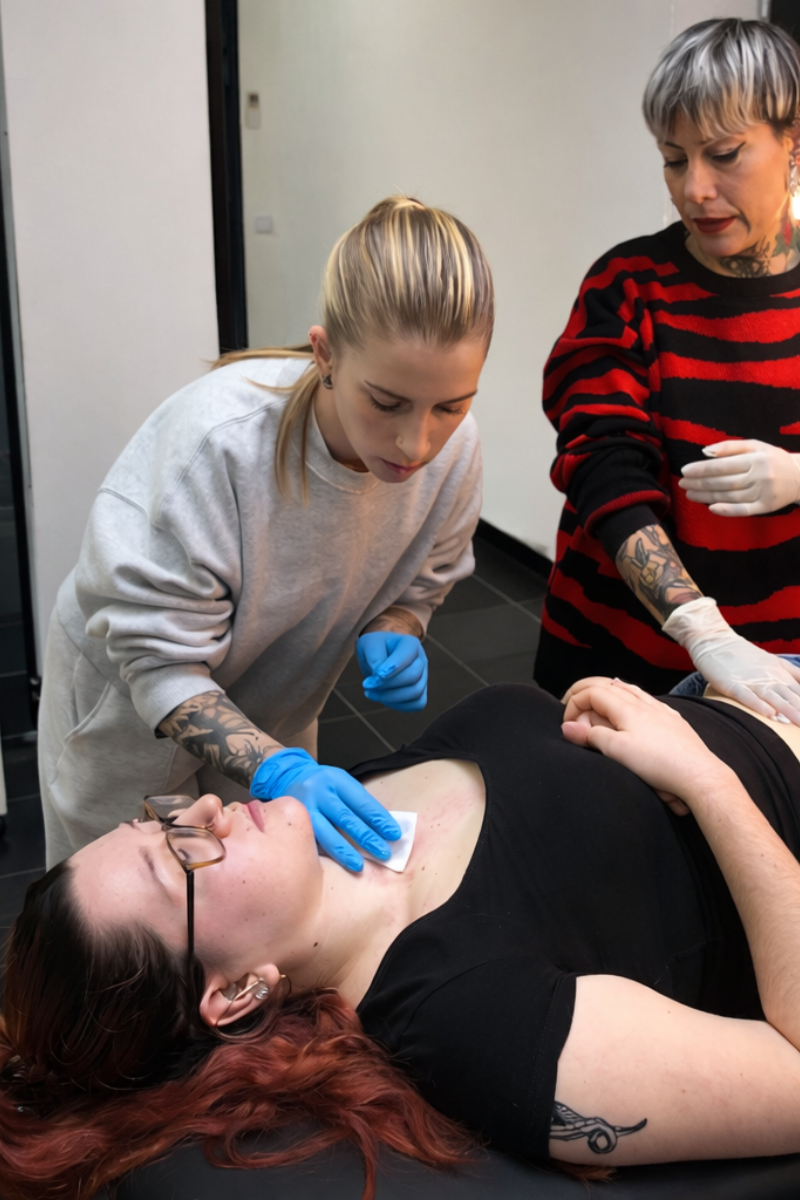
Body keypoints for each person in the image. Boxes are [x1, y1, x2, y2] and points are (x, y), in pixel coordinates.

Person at [5, 676, 800, 1199]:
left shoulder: (338, 818)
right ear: (237, 990)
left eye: (160, 819)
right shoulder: (471, 1017)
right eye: (179, 858)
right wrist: (705, 780)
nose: (202, 810)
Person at [38, 195, 493, 871]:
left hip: (273, 717)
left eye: (450, 406)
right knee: (128, 929)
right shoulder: (218, 446)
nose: (416, 443)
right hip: (128, 720)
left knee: (245, 907)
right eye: (386, 402)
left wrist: (397, 627)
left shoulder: (455, 455)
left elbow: (421, 580)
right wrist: (282, 775)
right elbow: (161, 667)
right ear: (326, 354)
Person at [534, 18, 800, 717]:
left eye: (724, 154)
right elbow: (604, 465)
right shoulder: (625, 286)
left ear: (793, 142)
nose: (696, 190)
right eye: (675, 160)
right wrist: (701, 629)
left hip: (780, 674)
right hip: (623, 663)